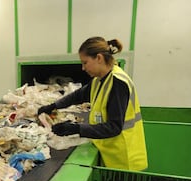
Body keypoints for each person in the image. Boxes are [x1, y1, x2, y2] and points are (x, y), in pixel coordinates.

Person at [38, 36, 148, 171]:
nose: (83, 68)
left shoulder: (118, 83)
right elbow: (78, 95)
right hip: (109, 151)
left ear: (99, 58)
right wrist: (53, 106)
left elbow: (114, 127)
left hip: (123, 158)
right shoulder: (99, 80)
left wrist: (76, 128)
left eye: (85, 62)